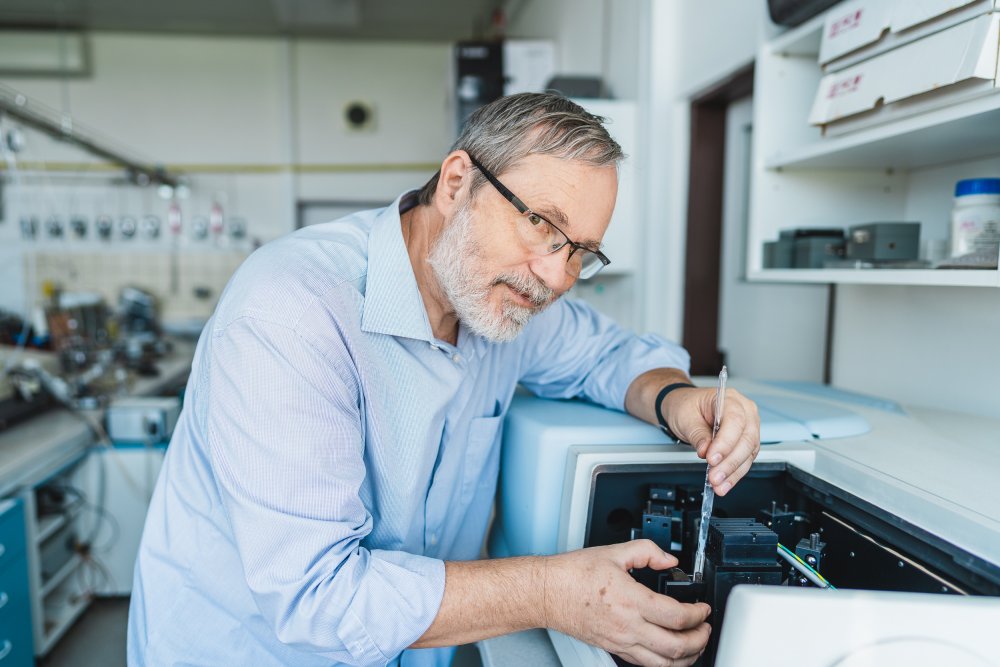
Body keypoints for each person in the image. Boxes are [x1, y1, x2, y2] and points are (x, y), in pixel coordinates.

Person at [128, 93, 761, 667]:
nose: (557, 277)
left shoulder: (502, 302)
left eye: (581, 251)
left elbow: (611, 356)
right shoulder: (290, 311)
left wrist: (678, 400)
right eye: (541, 222)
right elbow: (316, 598)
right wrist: (554, 593)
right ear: (458, 183)